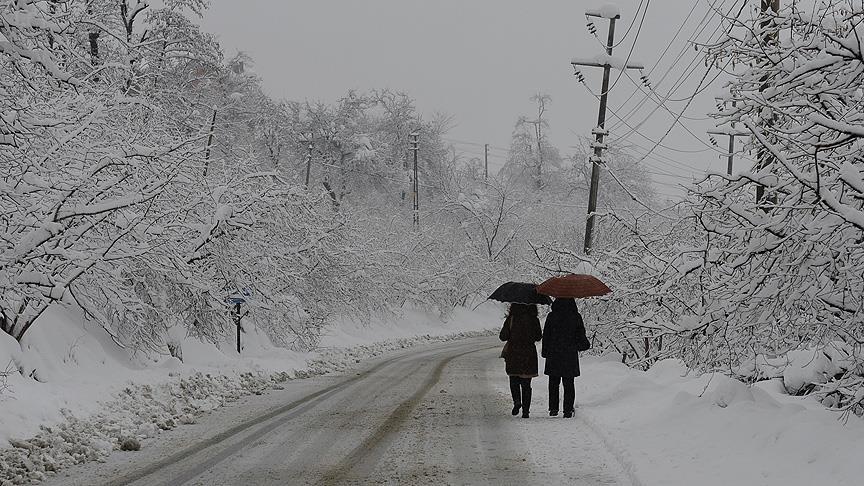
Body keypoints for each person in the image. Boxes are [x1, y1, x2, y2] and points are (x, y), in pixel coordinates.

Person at [542, 298, 588, 418]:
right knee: (569, 383)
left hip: (554, 353)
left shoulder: (552, 316)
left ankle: (553, 408)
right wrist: (578, 345)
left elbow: (546, 335)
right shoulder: (575, 316)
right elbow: (581, 335)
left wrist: (545, 351)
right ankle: (567, 410)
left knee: (553, 383)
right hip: (569, 354)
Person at [499, 303, 542, 418]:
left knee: (514, 380)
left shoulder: (511, 319)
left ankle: (517, 401)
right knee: (526, 384)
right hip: (529, 353)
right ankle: (526, 411)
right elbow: (538, 336)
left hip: (514, 353)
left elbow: (503, 336)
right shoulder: (534, 320)